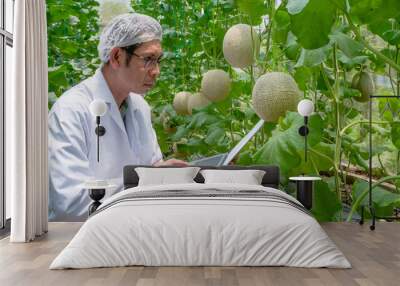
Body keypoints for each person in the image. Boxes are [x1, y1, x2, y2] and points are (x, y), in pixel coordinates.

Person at [48, 13, 187, 222]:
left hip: (131, 227)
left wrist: (163, 174)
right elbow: (69, 203)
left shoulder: (139, 106)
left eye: (158, 61)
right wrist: (146, 182)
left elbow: (150, 165)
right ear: (116, 57)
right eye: (148, 59)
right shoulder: (71, 110)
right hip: (80, 236)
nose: (156, 71)